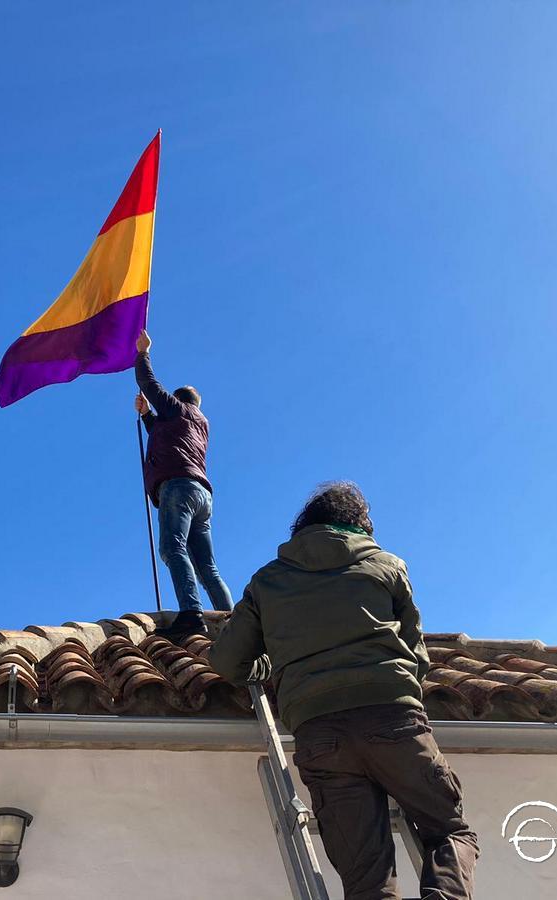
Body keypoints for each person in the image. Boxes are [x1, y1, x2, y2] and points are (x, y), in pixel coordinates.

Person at [209, 481, 478, 900]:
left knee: (367, 882)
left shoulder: (268, 581)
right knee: (449, 831)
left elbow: (227, 662)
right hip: (394, 720)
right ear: (360, 525)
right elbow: (417, 657)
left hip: (320, 734)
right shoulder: (388, 567)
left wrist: (270, 665)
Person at [133, 329, 233, 640]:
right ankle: (232, 621)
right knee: (207, 567)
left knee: (172, 548)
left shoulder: (177, 409)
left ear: (177, 401)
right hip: (201, 493)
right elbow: (166, 438)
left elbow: (148, 383)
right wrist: (148, 414)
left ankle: (191, 615)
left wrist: (142, 352)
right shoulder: (200, 423)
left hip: (178, 489)